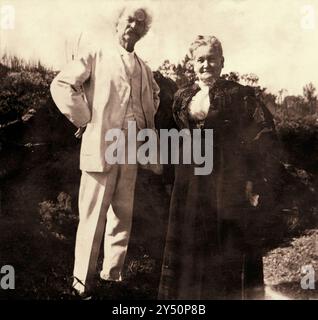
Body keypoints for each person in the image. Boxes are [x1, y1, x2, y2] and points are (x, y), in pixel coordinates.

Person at [158, 35, 280, 299]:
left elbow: (262, 134)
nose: (206, 64)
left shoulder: (240, 95)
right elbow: (170, 135)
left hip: (227, 175)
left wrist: (252, 179)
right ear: (192, 63)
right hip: (189, 176)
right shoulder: (182, 96)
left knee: (225, 237)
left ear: (222, 62)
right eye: (200, 59)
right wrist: (169, 176)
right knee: (191, 235)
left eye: (211, 58)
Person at [50, 5, 160, 297]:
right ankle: (81, 285)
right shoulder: (96, 54)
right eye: (129, 20)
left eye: (140, 24)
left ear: (144, 32)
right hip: (101, 145)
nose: (134, 26)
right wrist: (86, 119)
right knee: (93, 216)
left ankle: (112, 277)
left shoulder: (144, 68)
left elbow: (154, 97)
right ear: (117, 24)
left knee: (122, 215)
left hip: (131, 148)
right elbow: (62, 84)